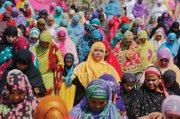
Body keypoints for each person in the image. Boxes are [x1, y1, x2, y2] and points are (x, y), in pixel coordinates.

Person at [31, 30, 64, 95]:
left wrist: (55, 66)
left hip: (50, 78)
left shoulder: (54, 49)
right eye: (42, 42)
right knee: (37, 95)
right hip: (37, 78)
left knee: (49, 98)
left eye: (46, 43)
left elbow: (60, 62)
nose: (44, 45)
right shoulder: (34, 49)